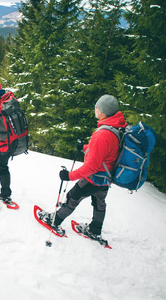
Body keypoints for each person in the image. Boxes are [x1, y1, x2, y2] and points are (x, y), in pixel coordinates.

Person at [38, 94, 127, 238]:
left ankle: (54, 220)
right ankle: (95, 230)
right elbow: (106, 152)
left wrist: (69, 176)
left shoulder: (102, 134)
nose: (95, 108)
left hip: (94, 177)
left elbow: (91, 167)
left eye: (97, 106)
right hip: (106, 177)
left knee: (73, 197)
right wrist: (85, 147)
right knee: (99, 203)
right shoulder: (116, 127)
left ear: (103, 111)